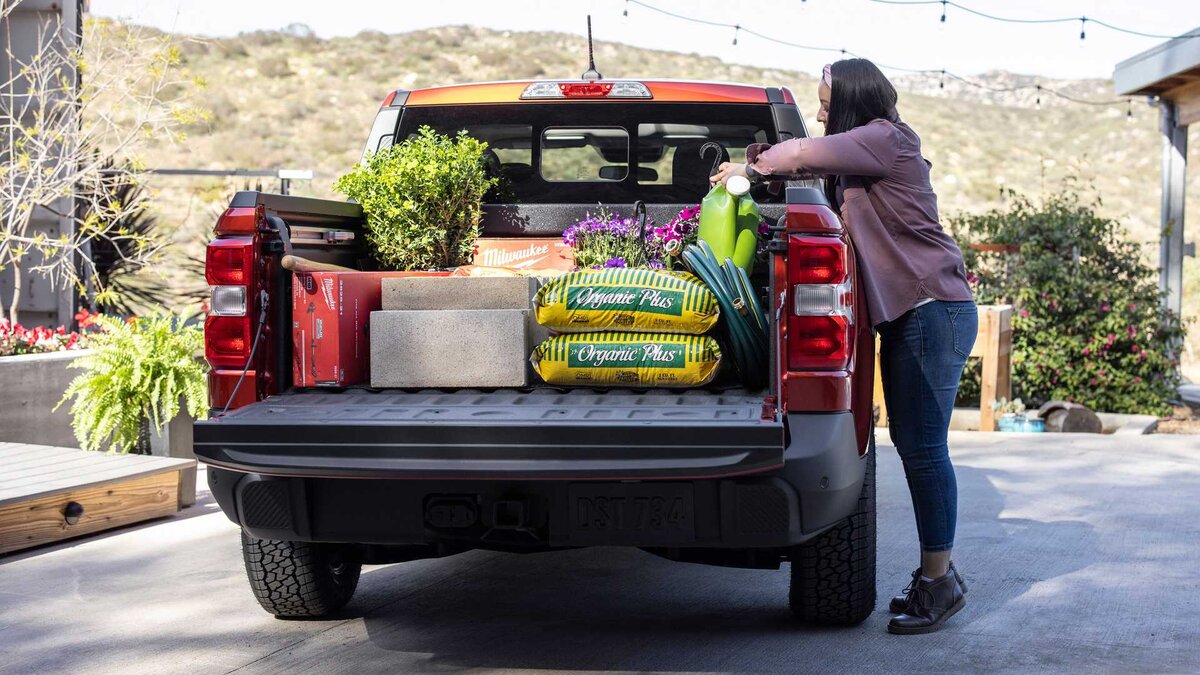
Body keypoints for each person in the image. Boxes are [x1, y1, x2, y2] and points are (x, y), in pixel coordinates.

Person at [711, 58, 978, 635]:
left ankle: (940, 581)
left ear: (855, 98)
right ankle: (938, 577)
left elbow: (803, 153)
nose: (822, 109)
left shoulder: (886, 139)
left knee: (925, 448)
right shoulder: (863, 156)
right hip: (913, 315)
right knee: (914, 443)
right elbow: (807, 172)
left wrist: (749, 163)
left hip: (933, 310)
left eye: (828, 100)